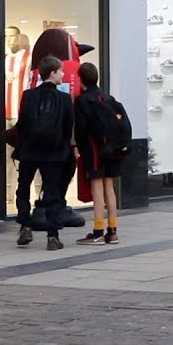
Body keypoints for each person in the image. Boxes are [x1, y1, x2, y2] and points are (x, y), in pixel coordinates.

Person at [13, 55, 77, 250]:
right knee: (52, 192)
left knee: (23, 187)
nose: (63, 74)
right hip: (54, 153)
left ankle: (25, 225)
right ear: (52, 73)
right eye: (61, 71)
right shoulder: (64, 99)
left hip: (29, 151)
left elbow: (22, 124)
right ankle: (52, 235)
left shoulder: (28, 96)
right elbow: (68, 127)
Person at [73, 62, 121, 245]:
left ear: (81, 79)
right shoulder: (108, 98)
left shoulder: (83, 100)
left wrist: (77, 146)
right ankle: (113, 231)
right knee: (109, 187)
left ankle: (98, 232)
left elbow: (81, 128)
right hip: (112, 149)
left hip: (94, 150)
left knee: (97, 189)